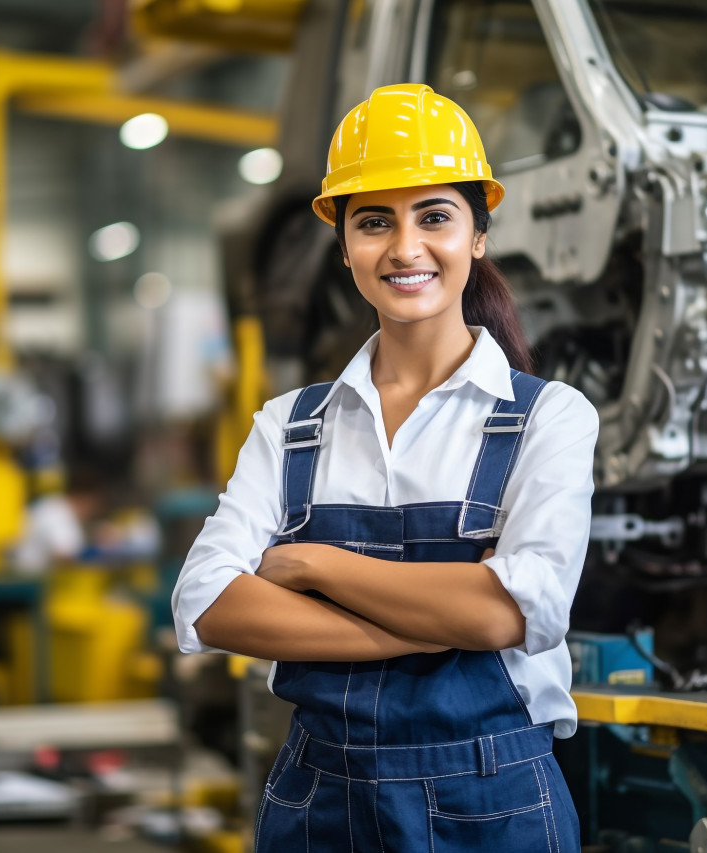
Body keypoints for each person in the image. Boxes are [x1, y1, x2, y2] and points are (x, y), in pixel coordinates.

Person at [172, 84, 598, 852]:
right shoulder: (291, 425)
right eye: (374, 222)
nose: (404, 248)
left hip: (491, 802)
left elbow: (511, 613)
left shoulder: (549, 416)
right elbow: (206, 603)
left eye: (434, 216)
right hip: (318, 798)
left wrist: (311, 562)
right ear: (343, 246)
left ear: (477, 235)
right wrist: (432, 624)